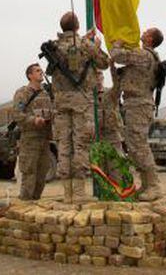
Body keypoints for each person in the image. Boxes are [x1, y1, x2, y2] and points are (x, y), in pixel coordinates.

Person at [49, 12, 109, 203]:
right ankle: (80, 194)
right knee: (81, 145)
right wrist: (96, 46)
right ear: (77, 26)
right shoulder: (84, 45)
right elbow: (104, 63)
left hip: (61, 101)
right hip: (82, 102)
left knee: (64, 145)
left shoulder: (54, 46)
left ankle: (67, 194)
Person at [110, 27, 164, 201]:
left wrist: (117, 43)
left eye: (147, 32)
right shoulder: (146, 56)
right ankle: (146, 185)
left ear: (150, 39)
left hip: (139, 104)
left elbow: (118, 56)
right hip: (135, 104)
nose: (143, 31)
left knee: (139, 147)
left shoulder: (145, 55)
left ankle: (154, 186)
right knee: (134, 148)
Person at [12, 63, 53, 200]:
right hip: (30, 139)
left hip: (45, 139)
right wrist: (33, 120)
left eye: (41, 70)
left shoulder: (46, 93)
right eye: (37, 71)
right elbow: (17, 115)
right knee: (29, 174)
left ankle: (35, 205)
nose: (41, 72)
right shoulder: (22, 93)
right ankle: (24, 205)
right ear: (30, 75)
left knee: (42, 174)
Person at [96, 66, 125, 182]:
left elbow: (118, 87)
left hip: (112, 134)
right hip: (97, 136)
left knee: (116, 166)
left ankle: (118, 193)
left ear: (103, 77)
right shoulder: (88, 96)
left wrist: (113, 70)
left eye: (100, 75)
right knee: (101, 169)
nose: (98, 77)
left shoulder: (110, 93)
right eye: (95, 75)